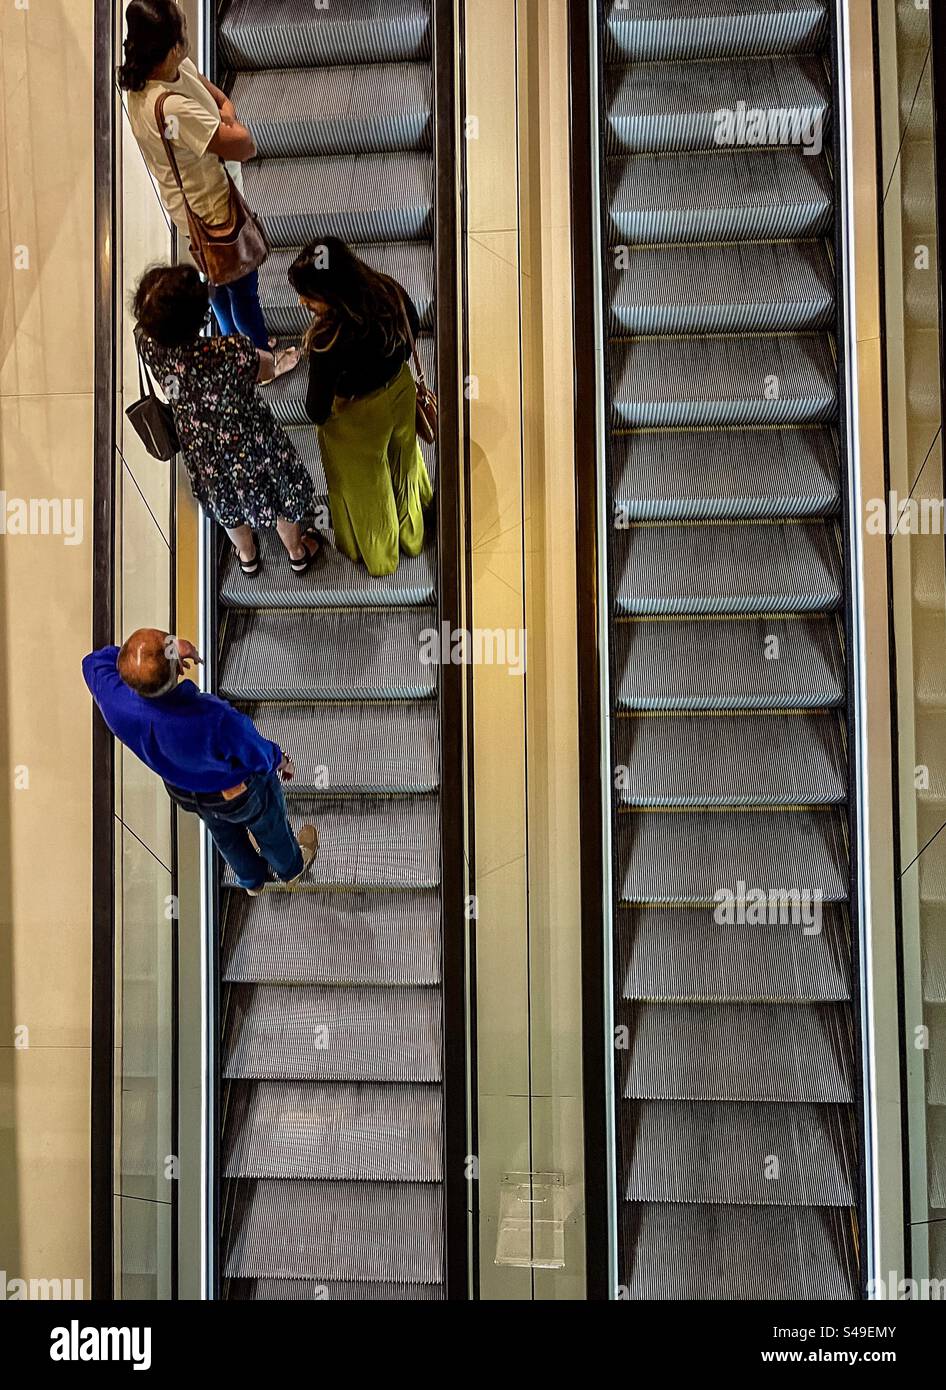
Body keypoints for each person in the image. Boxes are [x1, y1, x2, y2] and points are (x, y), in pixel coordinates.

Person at [119, 0, 298, 378]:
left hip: (193, 210)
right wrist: (228, 124)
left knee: (220, 283)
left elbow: (220, 100)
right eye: (182, 31)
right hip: (213, 212)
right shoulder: (170, 109)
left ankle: (237, 348)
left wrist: (225, 121)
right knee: (242, 288)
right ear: (170, 46)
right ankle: (258, 363)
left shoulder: (165, 73)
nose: (186, 36)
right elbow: (245, 144)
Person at [83, 630, 318, 895]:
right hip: (237, 792)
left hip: (186, 792)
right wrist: (282, 760)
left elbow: (93, 661)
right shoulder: (212, 718)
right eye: (169, 640)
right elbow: (256, 753)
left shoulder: (116, 703)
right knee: (269, 825)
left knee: (225, 836)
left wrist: (155, 661)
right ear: (177, 670)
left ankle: (252, 880)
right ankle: (290, 868)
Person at [133, 263, 322, 575]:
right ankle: (296, 552)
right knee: (281, 490)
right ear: (200, 315)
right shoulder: (230, 351)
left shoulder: (148, 347)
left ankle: (247, 556)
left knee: (225, 503)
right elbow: (266, 371)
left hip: (202, 448)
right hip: (251, 440)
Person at [288, 237, 434, 577]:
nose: (302, 301)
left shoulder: (329, 339)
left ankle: (381, 554)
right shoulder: (387, 290)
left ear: (330, 293)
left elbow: (317, 409)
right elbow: (413, 329)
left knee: (368, 490)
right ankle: (413, 535)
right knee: (404, 462)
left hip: (358, 421)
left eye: (309, 296)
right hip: (400, 394)